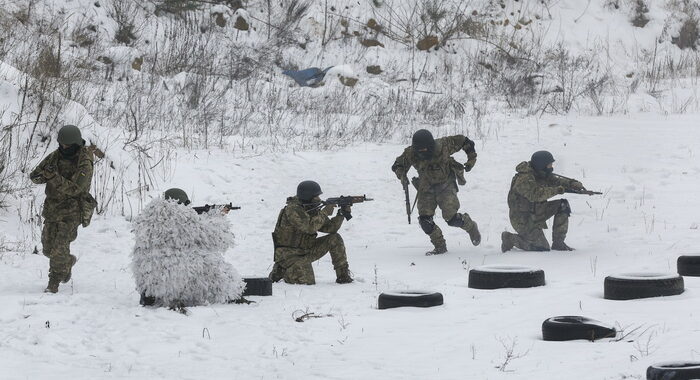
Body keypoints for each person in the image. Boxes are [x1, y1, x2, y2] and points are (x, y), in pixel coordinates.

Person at [132, 188, 244, 308]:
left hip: (149, 280)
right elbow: (215, 239)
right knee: (211, 260)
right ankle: (232, 294)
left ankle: (149, 296)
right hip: (173, 279)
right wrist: (216, 216)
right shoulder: (182, 219)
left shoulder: (146, 219)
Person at [391, 129, 481, 255]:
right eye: (420, 152)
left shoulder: (444, 145)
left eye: (425, 151)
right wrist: (402, 175)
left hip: (446, 185)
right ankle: (440, 246)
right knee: (425, 221)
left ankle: (471, 226)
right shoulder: (410, 153)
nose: (423, 154)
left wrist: (471, 159)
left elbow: (465, 141)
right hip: (426, 188)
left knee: (452, 219)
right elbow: (397, 165)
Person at [30, 125, 96, 293]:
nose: (64, 148)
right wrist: (43, 175)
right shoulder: (55, 156)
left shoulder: (84, 161)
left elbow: (77, 189)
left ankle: (54, 283)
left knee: (59, 248)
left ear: (75, 144)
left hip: (72, 211)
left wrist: (53, 177)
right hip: (52, 209)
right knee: (47, 248)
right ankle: (67, 263)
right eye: (62, 144)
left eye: (67, 145)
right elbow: (35, 176)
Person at [269, 180, 353, 285]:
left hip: (306, 250)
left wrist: (341, 214)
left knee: (335, 238)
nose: (319, 199)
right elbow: (309, 227)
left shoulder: (310, 208)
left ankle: (343, 276)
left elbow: (330, 228)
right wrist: (325, 212)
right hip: (290, 255)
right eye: (316, 196)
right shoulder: (292, 209)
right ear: (307, 196)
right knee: (307, 283)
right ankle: (283, 270)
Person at [501, 151, 586, 252]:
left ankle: (559, 243)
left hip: (537, 212)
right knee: (541, 247)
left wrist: (572, 183)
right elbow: (535, 195)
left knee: (562, 205)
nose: (551, 167)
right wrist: (557, 190)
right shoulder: (523, 179)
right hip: (523, 219)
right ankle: (510, 239)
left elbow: (555, 180)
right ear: (541, 165)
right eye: (549, 165)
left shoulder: (540, 173)